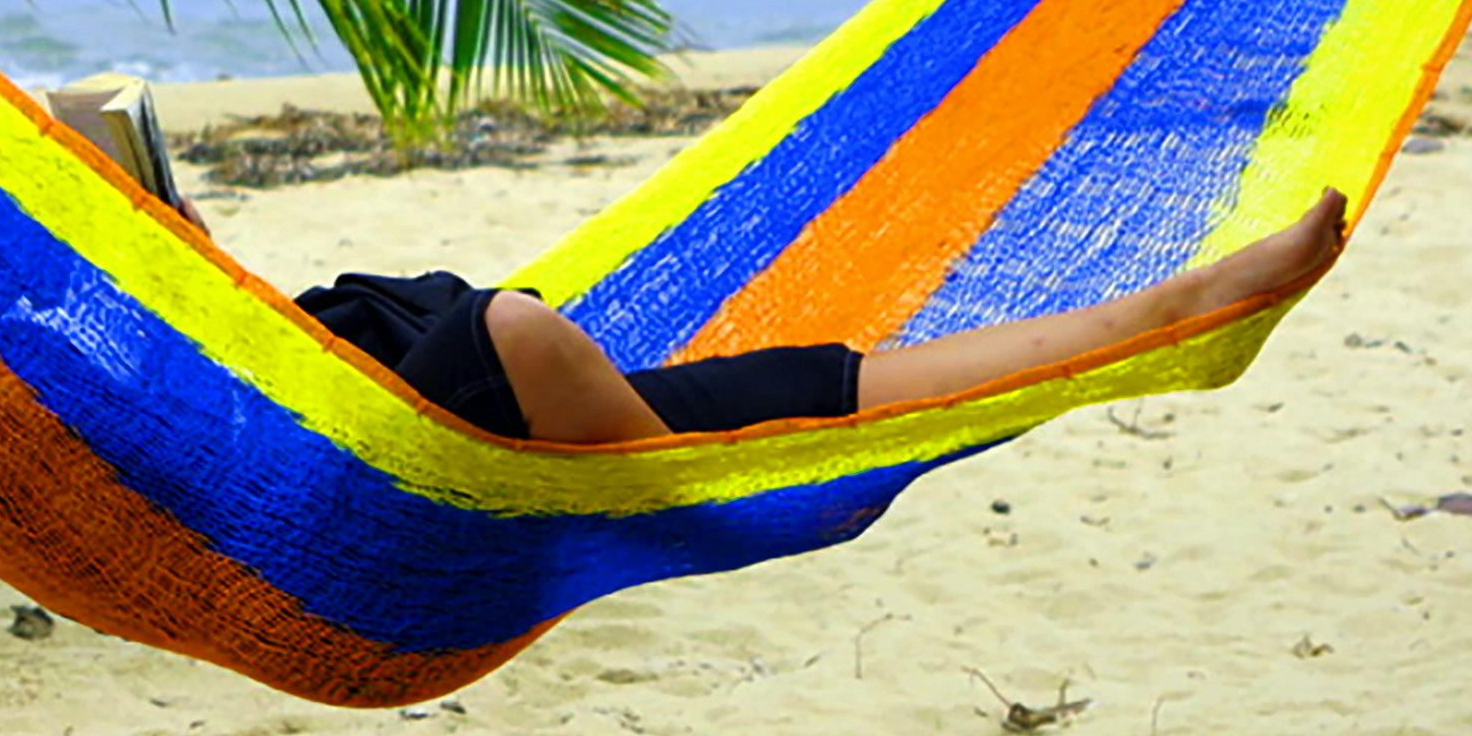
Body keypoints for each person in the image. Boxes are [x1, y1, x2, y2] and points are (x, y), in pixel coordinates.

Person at [292, 188, 1349, 445]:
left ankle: (1179, 312)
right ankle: (646, 494)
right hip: (371, 451)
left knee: (816, 385)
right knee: (511, 330)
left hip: (372, 390)